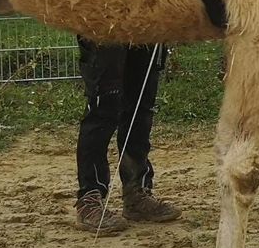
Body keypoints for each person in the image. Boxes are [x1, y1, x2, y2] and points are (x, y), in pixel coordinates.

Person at [74, 36, 180, 234]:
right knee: (103, 108)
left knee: (141, 107)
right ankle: (90, 197)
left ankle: (136, 192)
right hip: (104, 25)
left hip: (147, 26)